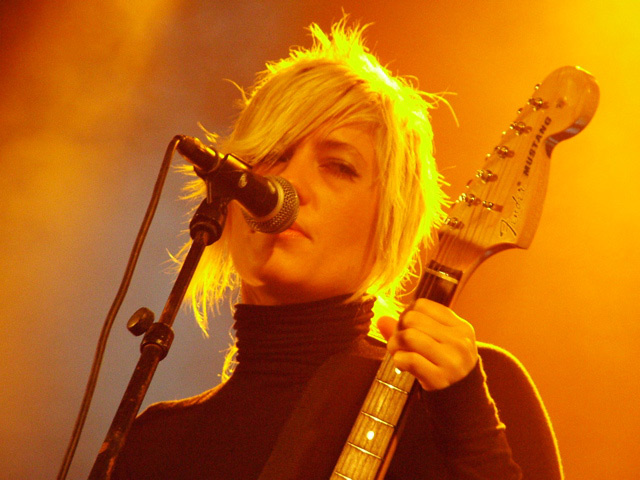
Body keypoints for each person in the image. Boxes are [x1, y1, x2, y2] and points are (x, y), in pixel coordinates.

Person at [112, 19, 561, 479]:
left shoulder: (466, 394)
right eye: (273, 155)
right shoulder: (154, 445)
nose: (289, 184)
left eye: (339, 167)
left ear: (390, 221)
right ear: (227, 197)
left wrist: (469, 429)